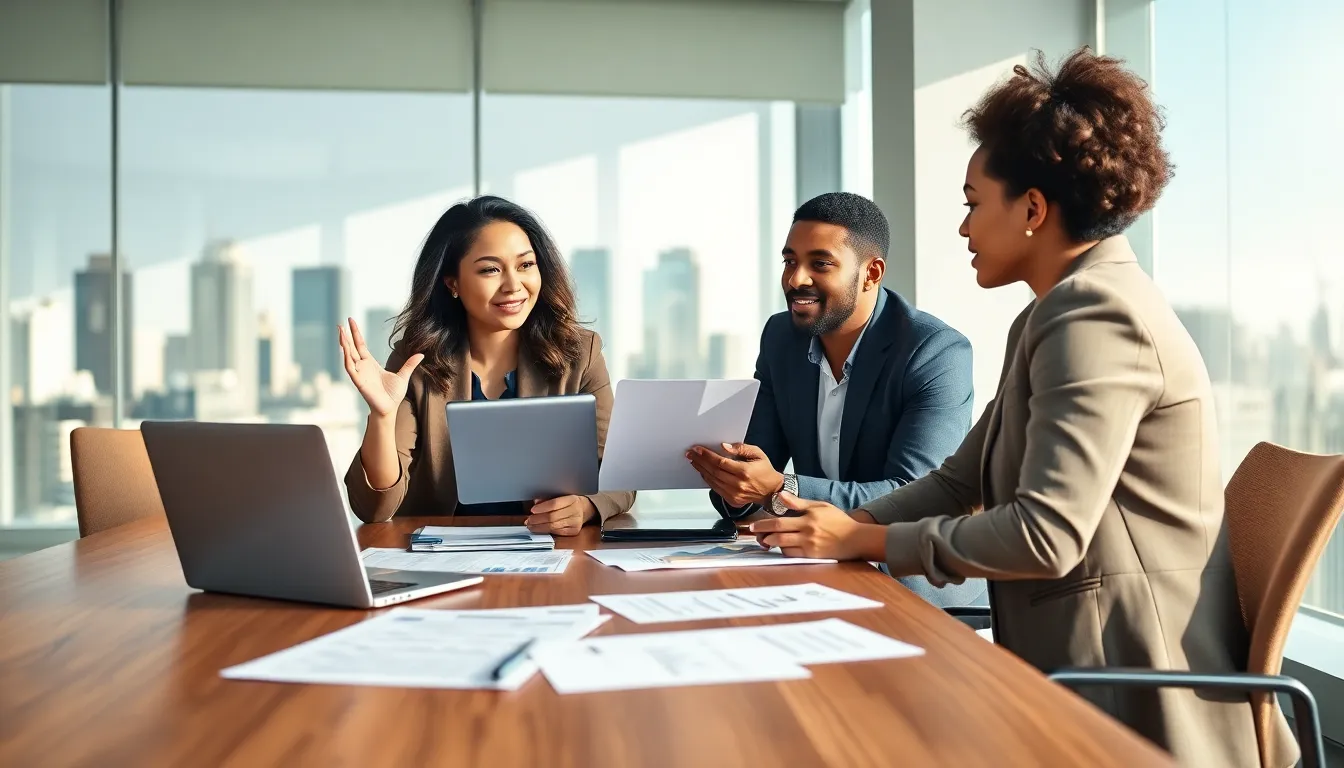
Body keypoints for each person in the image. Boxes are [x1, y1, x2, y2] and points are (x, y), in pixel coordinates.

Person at [747, 49, 1289, 767]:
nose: (964, 228)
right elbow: (956, 481)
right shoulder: (1051, 314)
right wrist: (854, 520)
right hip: (1070, 668)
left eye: (974, 203)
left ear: (1032, 208)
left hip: (1126, 702)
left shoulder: (1096, 316)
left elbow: (1045, 535)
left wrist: (862, 543)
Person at [687, 191, 985, 609]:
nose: (795, 279)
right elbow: (755, 466)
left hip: (917, 591)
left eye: (820, 264)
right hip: (819, 573)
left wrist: (780, 488)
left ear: (871, 273)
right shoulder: (781, 339)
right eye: (790, 261)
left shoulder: (935, 352)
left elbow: (913, 495)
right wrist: (735, 487)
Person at [341, 195, 634, 534]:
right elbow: (374, 508)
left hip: (552, 553)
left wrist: (584, 507)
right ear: (453, 283)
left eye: (525, 265)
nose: (514, 286)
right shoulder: (417, 361)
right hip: (443, 558)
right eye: (490, 270)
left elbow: (619, 475)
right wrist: (382, 416)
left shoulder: (579, 353)